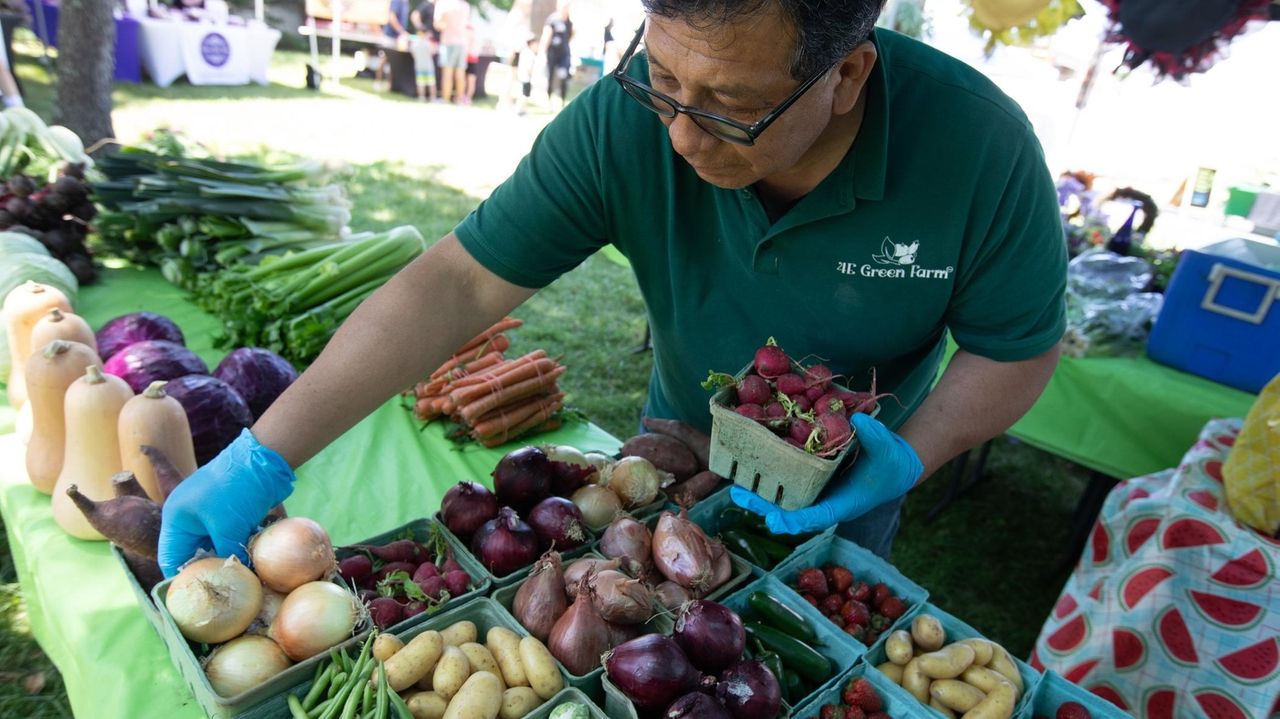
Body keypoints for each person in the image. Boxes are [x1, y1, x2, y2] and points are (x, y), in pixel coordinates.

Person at [158, 0, 1065, 575]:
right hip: (671, 446)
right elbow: (459, 282)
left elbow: (1014, 350)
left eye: (731, 105)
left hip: (849, 472)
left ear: (848, 75)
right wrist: (261, 454)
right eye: (661, 77)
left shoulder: (980, 148)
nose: (680, 135)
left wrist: (907, 456)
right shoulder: (627, 120)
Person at [433, 0, 471, 103]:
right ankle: (460, 99)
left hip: (448, 42)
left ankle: (445, 100)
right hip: (462, 43)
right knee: (460, 73)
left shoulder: (443, 4)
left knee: (447, 73)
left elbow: (438, 25)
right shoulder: (465, 5)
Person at [539, 0, 574, 110]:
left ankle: (562, 102)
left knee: (564, 76)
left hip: (564, 54)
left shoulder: (569, 21)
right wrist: (542, 52)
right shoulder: (553, 19)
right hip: (552, 52)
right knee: (550, 76)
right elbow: (546, 35)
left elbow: (572, 34)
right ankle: (548, 101)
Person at [410, 31, 438, 102]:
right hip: (429, 67)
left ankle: (421, 97)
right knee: (431, 83)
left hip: (419, 67)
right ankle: (433, 97)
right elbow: (433, 52)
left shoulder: (415, 44)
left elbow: (413, 54)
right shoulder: (428, 44)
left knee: (420, 83)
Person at [514, 34, 538, 115]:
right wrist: (532, 76)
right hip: (526, 77)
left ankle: (522, 109)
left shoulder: (525, 52)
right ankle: (519, 109)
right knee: (525, 94)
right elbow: (529, 67)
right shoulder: (529, 53)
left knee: (524, 94)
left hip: (522, 76)